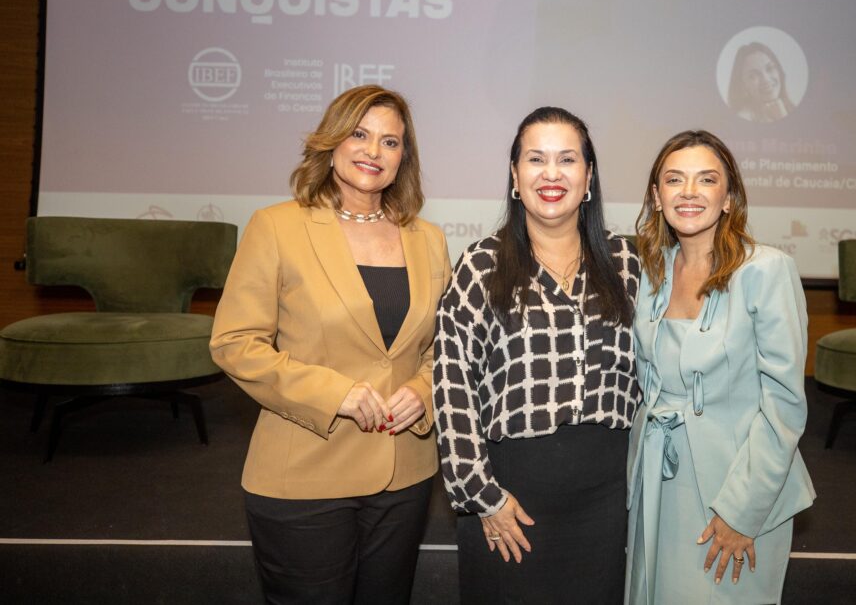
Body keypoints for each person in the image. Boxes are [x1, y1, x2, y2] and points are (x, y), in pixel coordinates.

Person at [209, 85, 451, 604]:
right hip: (304, 476)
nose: (373, 151)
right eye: (360, 135)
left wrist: (424, 389)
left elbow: (444, 347)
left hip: (404, 474)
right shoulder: (277, 226)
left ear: (403, 157)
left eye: (391, 142)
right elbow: (235, 342)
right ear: (331, 142)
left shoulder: (427, 238)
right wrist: (332, 393)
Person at [433, 106, 640, 604]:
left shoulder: (629, 263)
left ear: (588, 177)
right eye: (536, 159)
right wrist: (483, 498)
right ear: (514, 175)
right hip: (511, 497)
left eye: (567, 159)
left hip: (608, 498)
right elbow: (451, 384)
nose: (551, 174)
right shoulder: (481, 265)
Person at [626, 130, 815, 604]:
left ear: (728, 197)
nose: (688, 192)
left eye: (706, 179)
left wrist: (741, 513)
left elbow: (785, 407)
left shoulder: (766, 270)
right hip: (656, 480)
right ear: (656, 195)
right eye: (674, 180)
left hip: (736, 489)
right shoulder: (650, 270)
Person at [727, 42, 795, 122]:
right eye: (753, 76)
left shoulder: (790, 107)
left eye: (770, 68)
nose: (766, 80)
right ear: (743, 85)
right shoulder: (743, 118)